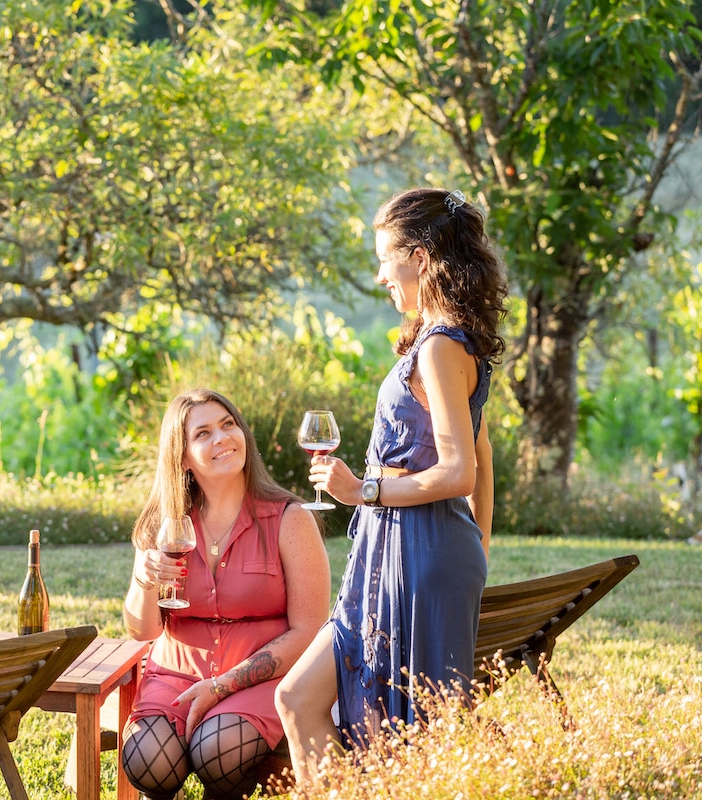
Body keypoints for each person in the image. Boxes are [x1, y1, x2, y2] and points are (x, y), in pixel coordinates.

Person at [274, 188, 509, 781]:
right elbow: (481, 448)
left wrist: (362, 493)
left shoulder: (439, 346)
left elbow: (461, 469)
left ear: (422, 257)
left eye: (386, 258)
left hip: (419, 554)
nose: (380, 275)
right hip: (409, 551)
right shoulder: (447, 338)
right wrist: (477, 545)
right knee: (299, 700)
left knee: (405, 739)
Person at [121, 389, 331, 800]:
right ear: (182, 457)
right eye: (203, 433)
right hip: (175, 676)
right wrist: (144, 580)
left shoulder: (290, 519)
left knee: (218, 750)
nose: (222, 438)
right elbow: (142, 631)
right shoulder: (164, 526)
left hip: (260, 678)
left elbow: (309, 631)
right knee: (146, 759)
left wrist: (222, 686)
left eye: (228, 424)